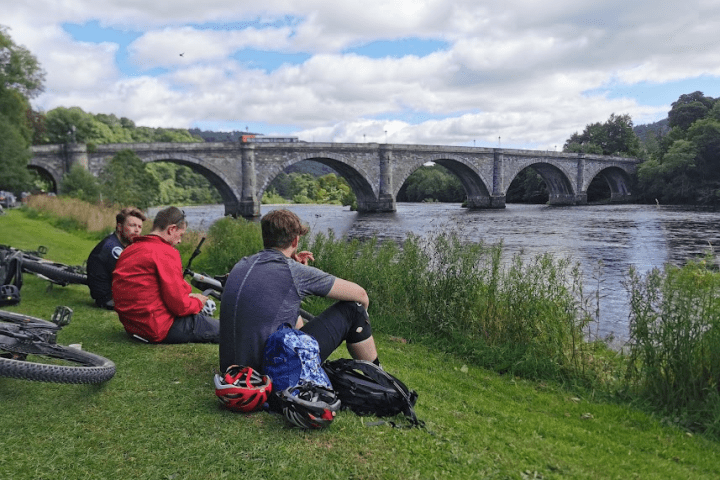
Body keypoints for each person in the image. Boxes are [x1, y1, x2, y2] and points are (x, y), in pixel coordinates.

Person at [219, 209, 380, 373]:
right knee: (354, 310)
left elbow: (288, 316)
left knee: (292, 311)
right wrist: (363, 318)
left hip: (233, 372)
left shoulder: (242, 264)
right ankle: (380, 379)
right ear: (295, 241)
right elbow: (361, 295)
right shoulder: (292, 271)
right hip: (268, 374)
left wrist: (296, 284)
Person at [112, 206, 219, 344]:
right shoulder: (165, 252)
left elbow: (150, 289)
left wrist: (186, 297)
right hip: (157, 328)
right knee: (228, 330)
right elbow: (180, 306)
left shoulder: (129, 250)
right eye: (180, 235)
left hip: (133, 327)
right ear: (171, 229)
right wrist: (198, 302)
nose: (179, 241)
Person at [86, 207, 147, 310]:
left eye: (139, 227)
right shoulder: (113, 248)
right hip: (108, 299)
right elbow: (130, 279)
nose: (137, 230)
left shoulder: (118, 243)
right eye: (132, 225)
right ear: (119, 227)